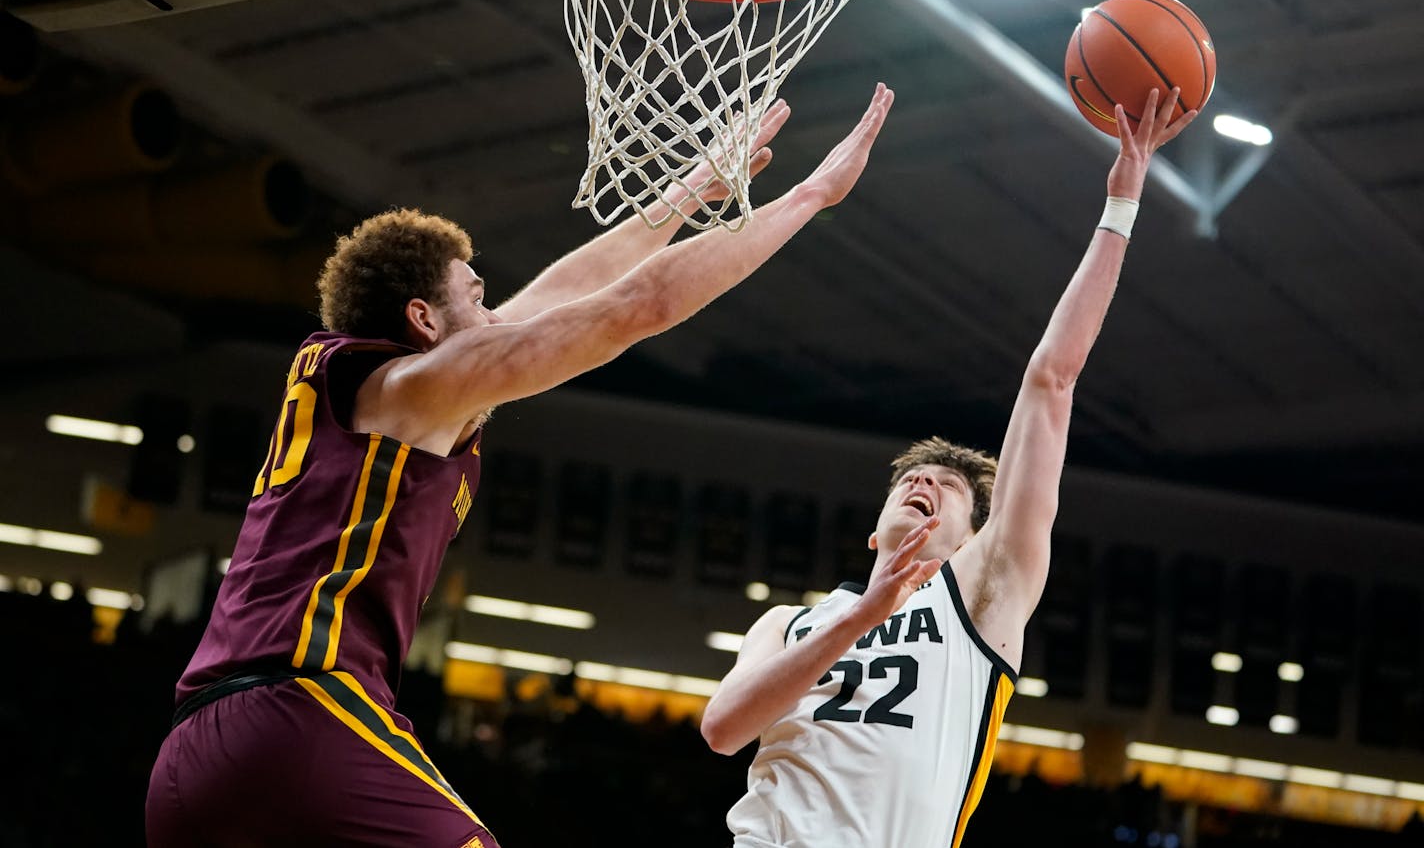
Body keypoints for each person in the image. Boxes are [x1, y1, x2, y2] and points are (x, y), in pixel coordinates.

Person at [144, 84, 895, 848]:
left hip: (188, 763)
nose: (498, 312)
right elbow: (634, 307)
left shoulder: (373, 396)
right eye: (478, 296)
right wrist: (808, 196)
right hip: (295, 717)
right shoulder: (413, 386)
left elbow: (562, 294)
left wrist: (690, 192)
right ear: (423, 319)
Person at [701, 89, 1197, 848]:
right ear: (873, 532)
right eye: (910, 481)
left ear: (973, 536)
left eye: (952, 488)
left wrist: (1122, 205)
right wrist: (862, 616)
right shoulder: (790, 622)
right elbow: (724, 729)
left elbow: (1051, 379)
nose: (925, 483)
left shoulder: (985, 594)